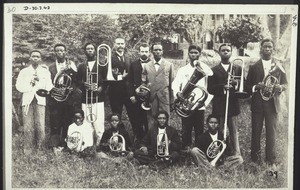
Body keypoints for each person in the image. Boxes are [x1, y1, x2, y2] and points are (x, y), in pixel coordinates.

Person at [245, 38, 288, 167]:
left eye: (270, 47)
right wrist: (256, 87)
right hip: (258, 104)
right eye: (265, 47)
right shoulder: (253, 67)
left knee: (271, 133)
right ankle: (255, 160)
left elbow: (285, 83)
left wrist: (279, 87)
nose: (268, 49)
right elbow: (247, 86)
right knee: (256, 132)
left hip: (272, 104)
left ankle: (271, 160)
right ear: (261, 49)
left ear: (273, 49)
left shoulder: (279, 66)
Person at [172, 44, 213, 150]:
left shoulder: (205, 69)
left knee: (199, 129)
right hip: (186, 104)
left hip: (199, 105)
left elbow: (209, 89)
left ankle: (198, 151)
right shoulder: (182, 70)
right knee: (186, 128)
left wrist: (203, 102)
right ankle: (186, 150)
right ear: (188, 54)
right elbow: (175, 84)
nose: (194, 54)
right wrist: (177, 94)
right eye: (192, 52)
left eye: (196, 52)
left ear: (199, 54)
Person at [207, 43, 243, 161]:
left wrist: (236, 84)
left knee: (233, 131)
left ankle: (236, 154)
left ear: (231, 53)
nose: (226, 52)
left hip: (232, 106)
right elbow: (210, 89)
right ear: (219, 52)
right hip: (219, 106)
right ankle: (219, 155)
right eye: (223, 50)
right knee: (220, 131)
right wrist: (223, 87)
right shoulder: (213, 70)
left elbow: (244, 87)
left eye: (228, 50)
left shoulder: (238, 69)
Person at [16, 50, 53, 154]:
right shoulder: (24, 71)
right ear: (30, 58)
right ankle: (28, 149)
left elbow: (49, 86)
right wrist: (30, 84)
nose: (35, 58)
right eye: (33, 56)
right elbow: (18, 86)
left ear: (40, 59)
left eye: (37, 56)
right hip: (27, 100)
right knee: (28, 125)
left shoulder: (45, 71)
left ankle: (41, 149)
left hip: (40, 100)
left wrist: (40, 81)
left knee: (40, 124)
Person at [48, 43, 81, 149]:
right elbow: (48, 82)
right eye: (57, 51)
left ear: (65, 52)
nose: (60, 52)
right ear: (55, 53)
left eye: (62, 50)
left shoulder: (71, 64)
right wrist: (54, 88)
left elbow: (76, 80)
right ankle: (54, 145)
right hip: (55, 98)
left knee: (67, 121)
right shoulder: (51, 67)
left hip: (68, 98)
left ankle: (65, 144)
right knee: (55, 122)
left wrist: (72, 88)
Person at [77, 43, 107, 146]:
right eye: (88, 49)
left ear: (95, 51)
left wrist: (101, 88)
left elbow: (106, 81)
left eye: (92, 49)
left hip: (98, 98)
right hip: (85, 98)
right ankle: (88, 145)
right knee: (86, 122)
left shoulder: (102, 65)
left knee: (98, 123)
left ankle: (99, 145)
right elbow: (77, 81)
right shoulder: (81, 66)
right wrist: (83, 84)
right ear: (85, 51)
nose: (90, 50)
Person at [142, 42, 174, 126]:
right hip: (151, 99)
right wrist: (145, 94)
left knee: (165, 120)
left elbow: (171, 84)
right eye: (156, 50)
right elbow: (143, 82)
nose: (158, 52)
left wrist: (172, 100)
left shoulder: (169, 65)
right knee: (152, 121)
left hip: (164, 98)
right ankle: (153, 138)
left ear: (162, 51)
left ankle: (166, 138)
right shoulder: (146, 66)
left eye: (160, 50)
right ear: (152, 51)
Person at [127, 43, 151, 145]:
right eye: (142, 51)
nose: (144, 53)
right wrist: (132, 95)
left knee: (148, 119)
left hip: (149, 97)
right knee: (137, 118)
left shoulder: (153, 64)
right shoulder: (133, 64)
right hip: (136, 97)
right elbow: (129, 81)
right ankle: (138, 139)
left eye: (146, 51)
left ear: (149, 52)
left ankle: (148, 139)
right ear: (139, 52)